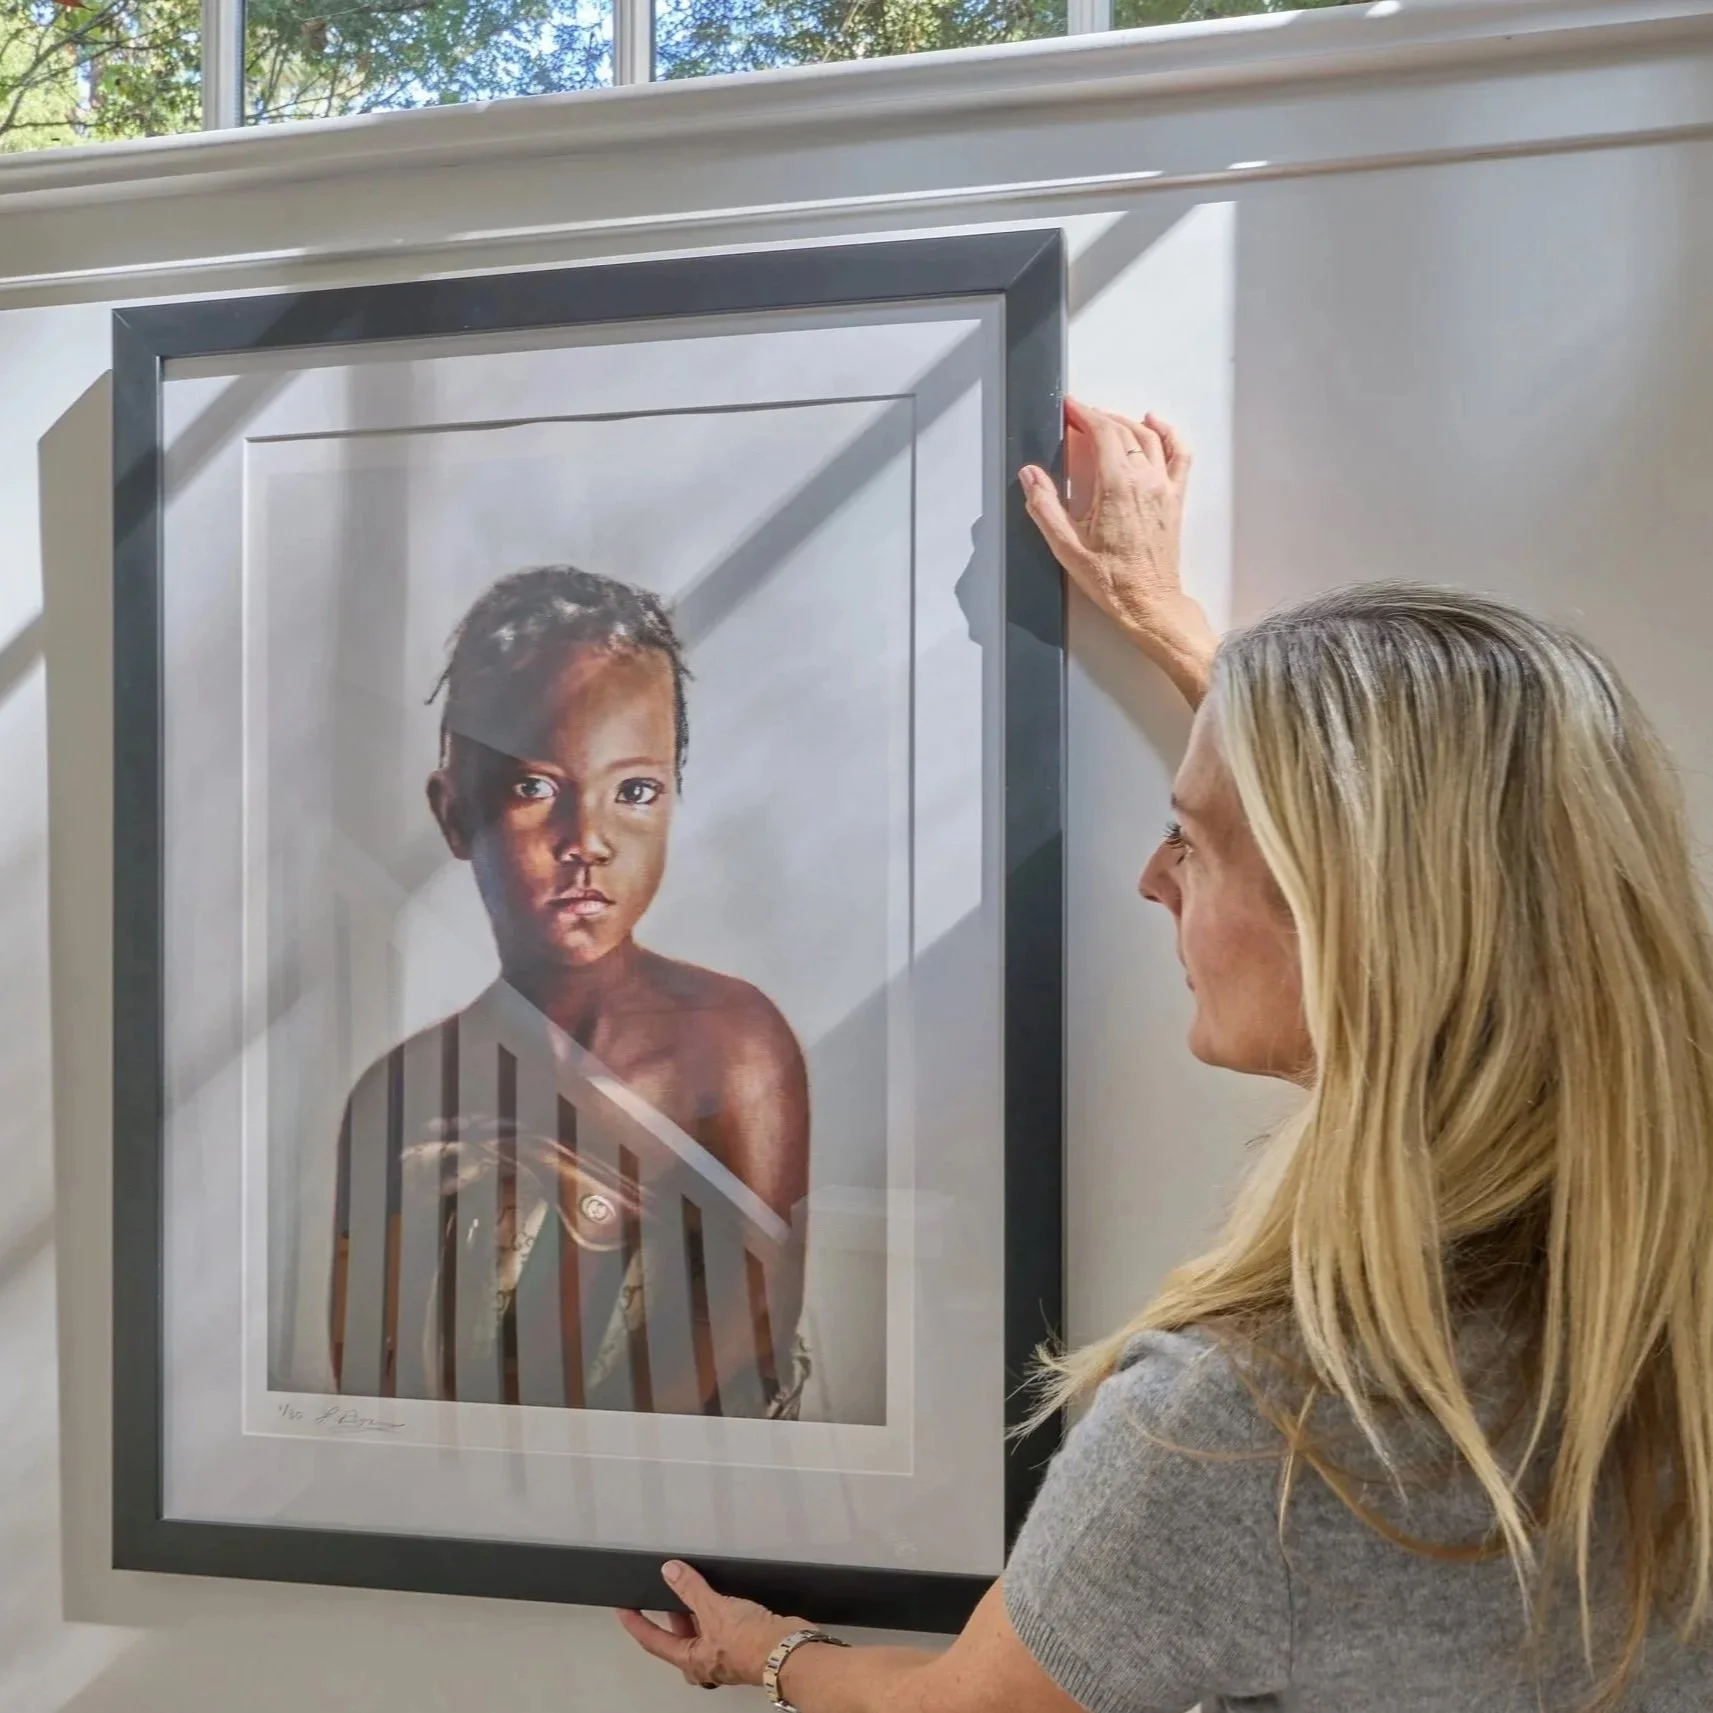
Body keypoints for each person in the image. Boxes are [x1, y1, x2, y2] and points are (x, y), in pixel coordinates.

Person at [617, 398, 1713, 1709]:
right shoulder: (1668, 1280)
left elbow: (977, 1709)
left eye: (1190, 838)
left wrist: (765, 1651)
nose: (1149, 877)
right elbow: (1470, 851)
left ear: (1345, 904)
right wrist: (1178, 632)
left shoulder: (1258, 1423)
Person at [329, 566, 810, 1419]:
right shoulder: (397, 1094)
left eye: (634, 791)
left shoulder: (731, 1045)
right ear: (452, 813)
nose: (585, 839)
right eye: (534, 789)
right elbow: (368, 1366)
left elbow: (755, 1326)